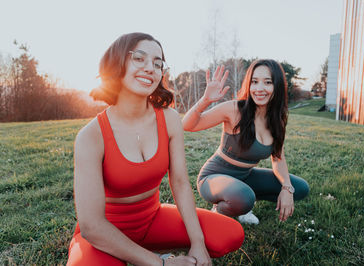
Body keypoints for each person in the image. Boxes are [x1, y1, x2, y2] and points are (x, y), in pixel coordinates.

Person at [67, 33, 244, 266]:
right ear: (117, 63)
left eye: (158, 63)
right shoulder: (90, 136)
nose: (150, 68)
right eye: (139, 59)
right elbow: (92, 226)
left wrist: (198, 242)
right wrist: (161, 263)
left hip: (153, 219)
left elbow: (180, 182)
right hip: (105, 231)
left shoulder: (169, 118)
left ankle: (143, 249)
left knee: (229, 233)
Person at [182, 60, 309, 225]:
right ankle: (220, 209)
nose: (259, 88)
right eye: (254, 82)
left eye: (268, 82)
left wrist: (286, 188)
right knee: (244, 198)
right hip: (213, 177)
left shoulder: (277, 120)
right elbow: (187, 125)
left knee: (299, 188)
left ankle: (241, 198)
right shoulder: (234, 110)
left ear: (276, 86)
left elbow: (278, 159)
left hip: (245, 177)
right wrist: (205, 100)